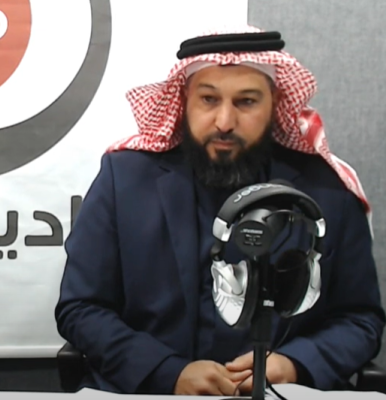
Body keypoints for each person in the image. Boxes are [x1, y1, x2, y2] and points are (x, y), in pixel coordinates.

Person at [55, 26, 385, 396]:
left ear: (275, 103)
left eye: (246, 102)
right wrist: (167, 372)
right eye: (209, 99)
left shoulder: (326, 190)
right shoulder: (125, 179)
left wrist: (294, 364)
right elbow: (81, 309)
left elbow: (360, 319)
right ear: (184, 101)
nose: (225, 122)